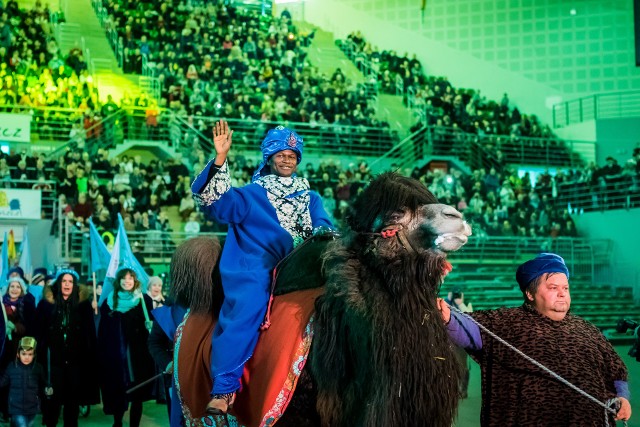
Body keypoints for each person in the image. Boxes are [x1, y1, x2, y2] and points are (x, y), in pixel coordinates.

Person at [191, 120, 334, 414]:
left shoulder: (312, 197)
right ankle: (225, 387)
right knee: (249, 302)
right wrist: (220, 159)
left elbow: (324, 224)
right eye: (280, 154)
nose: (287, 159)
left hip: (305, 263)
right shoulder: (250, 194)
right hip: (261, 265)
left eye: (292, 156)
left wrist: (321, 235)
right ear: (268, 158)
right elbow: (216, 202)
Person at [438, 253, 632, 426]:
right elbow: (467, 330)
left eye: (565, 287)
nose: (562, 293)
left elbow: (615, 370)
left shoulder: (588, 330)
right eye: (553, 287)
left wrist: (623, 398)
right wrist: (446, 317)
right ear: (530, 293)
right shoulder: (504, 322)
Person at [35, 268, 99, 427]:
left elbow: (90, 333)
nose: (67, 284)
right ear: (59, 283)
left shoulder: (83, 305)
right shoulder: (46, 304)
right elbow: (37, 330)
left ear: (75, 285)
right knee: (52, 402)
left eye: (70, 281)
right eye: (64, 281)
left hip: (76, 362)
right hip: (53, 361)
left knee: (72, 402)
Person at [97, 267, 155, 427]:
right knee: (117, 391)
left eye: (130, 278)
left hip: (138, 356)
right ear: (119, 280)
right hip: (116, 356)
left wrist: (150, 325)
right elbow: (103, 332)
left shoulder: (144, 300)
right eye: (124, 278)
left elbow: (151, 330)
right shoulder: (109, 302)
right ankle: (117, 422)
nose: (127, 281)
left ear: (135, 280)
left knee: (137, 392)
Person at [0, 336, 47, 427]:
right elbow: (2, 381)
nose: (27, 357)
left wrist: (48, 390)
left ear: (34, 355)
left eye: (30, 354)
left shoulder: (38, 368)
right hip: (16, 408)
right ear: (18, 354)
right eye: (24, 354)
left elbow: (43, 385)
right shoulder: (12, 367)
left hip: (32, 408)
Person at [444, 286, 472, 398]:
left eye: (458, 294)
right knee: (449, 365)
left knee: (463, 365)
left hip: (462, 340)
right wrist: (447, 299)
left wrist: (460, 304)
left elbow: (470, 317)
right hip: (448, 339)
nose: (456, 296)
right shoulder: (446, 304)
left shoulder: (467, 303)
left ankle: (463, 390)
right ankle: (451, 390)